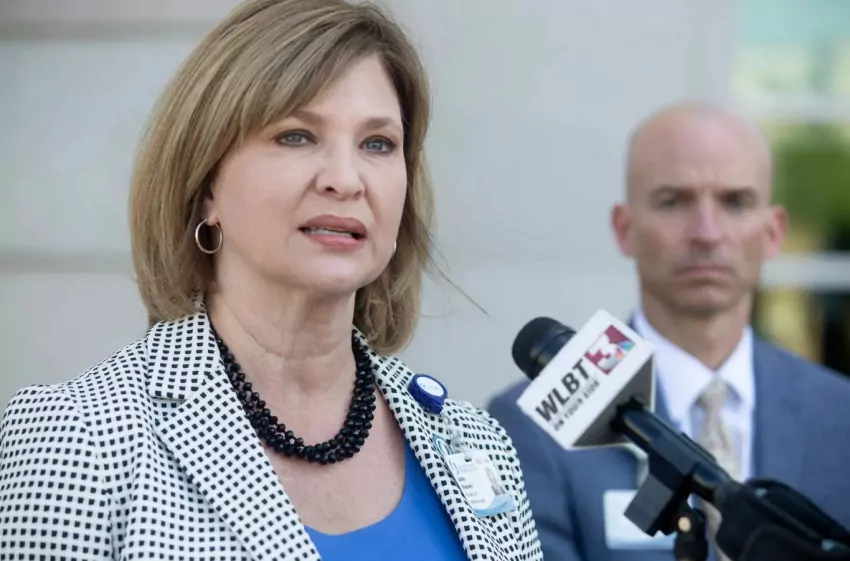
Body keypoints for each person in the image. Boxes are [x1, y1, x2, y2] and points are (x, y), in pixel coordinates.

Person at [0, 1, 542, 559]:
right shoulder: (79, 435)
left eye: (377, 143)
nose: (345, 180)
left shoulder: (475, 443)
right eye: (296, 136)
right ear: (206, 185)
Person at [487, 101, 850, 561]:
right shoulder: (528, 430)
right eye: (673, 201)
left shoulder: (839, 416)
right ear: (625, 229)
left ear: (773, 231)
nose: (707, 232)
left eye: (735, 202)